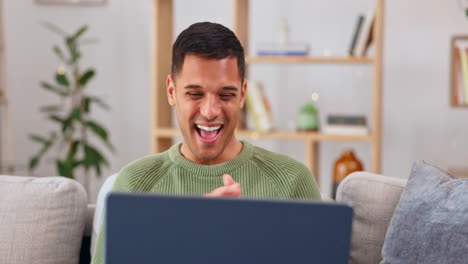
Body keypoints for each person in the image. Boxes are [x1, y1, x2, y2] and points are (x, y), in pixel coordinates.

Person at [91, 21, 320, 264]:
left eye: (226, 95)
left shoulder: (292, 182)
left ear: (243, 94)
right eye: (195, 94)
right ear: (171, 91)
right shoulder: (135, 185)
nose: (210, 111)